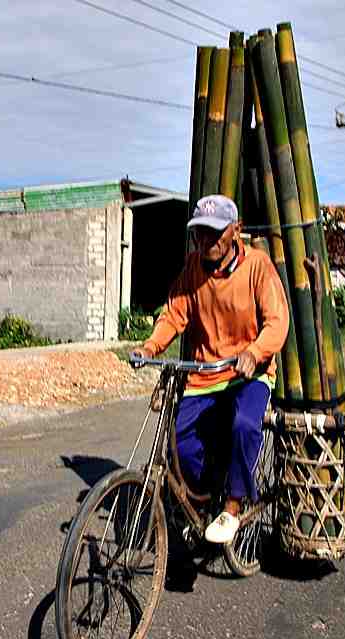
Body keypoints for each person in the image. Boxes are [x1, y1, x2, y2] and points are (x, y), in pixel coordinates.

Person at [133, 194, 289, 544]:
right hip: (206, 374)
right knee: (182, 446)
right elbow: (174, 314)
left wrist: (256, 351)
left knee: (245, 424)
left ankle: (233, 506)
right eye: (200, 233)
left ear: (237, 230)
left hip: (248, 372)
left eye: (215, 233)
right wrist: (149, 346)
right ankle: (206, 498)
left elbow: (278, 322)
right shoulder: (192, 268)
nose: (207, 241)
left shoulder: (258, 267)